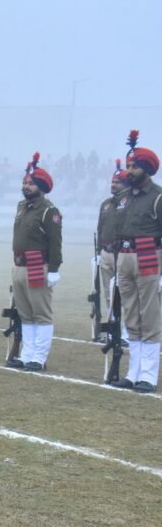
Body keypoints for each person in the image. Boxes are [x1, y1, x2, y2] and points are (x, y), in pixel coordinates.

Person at [110, 130, 162, 393]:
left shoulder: (158, 197)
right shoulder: (124, 197)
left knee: (149, 316)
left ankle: (149, 375)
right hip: (125, 257)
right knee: (130, 315)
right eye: (128, 166)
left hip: (149, 257)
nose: (128, 171)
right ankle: (133, 373)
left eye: (133, 166)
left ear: (146, 169)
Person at [6, 153, 63, 372]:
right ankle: (26, 354)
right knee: (25, 314)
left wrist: (54, 269)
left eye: (30, 183)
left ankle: (38, 357)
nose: (26, 186)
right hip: (19, 266)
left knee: (41, 313)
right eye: (24, 183)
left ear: (41, 186)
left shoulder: (50, 211)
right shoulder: (22, 207)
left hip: (38, 265)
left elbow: (55, 242)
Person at [95, 159, 131, 338]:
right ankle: (112, 330)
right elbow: (100, 228)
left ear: (125, 184)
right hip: (106, 253)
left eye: (117, 182)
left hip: (123, 255)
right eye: (112, 181)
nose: (113, 184)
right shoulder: (106, 204)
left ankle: (124, 331)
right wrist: (99, 252)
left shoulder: (130, 203)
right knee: (109, 295)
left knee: (124, 295)